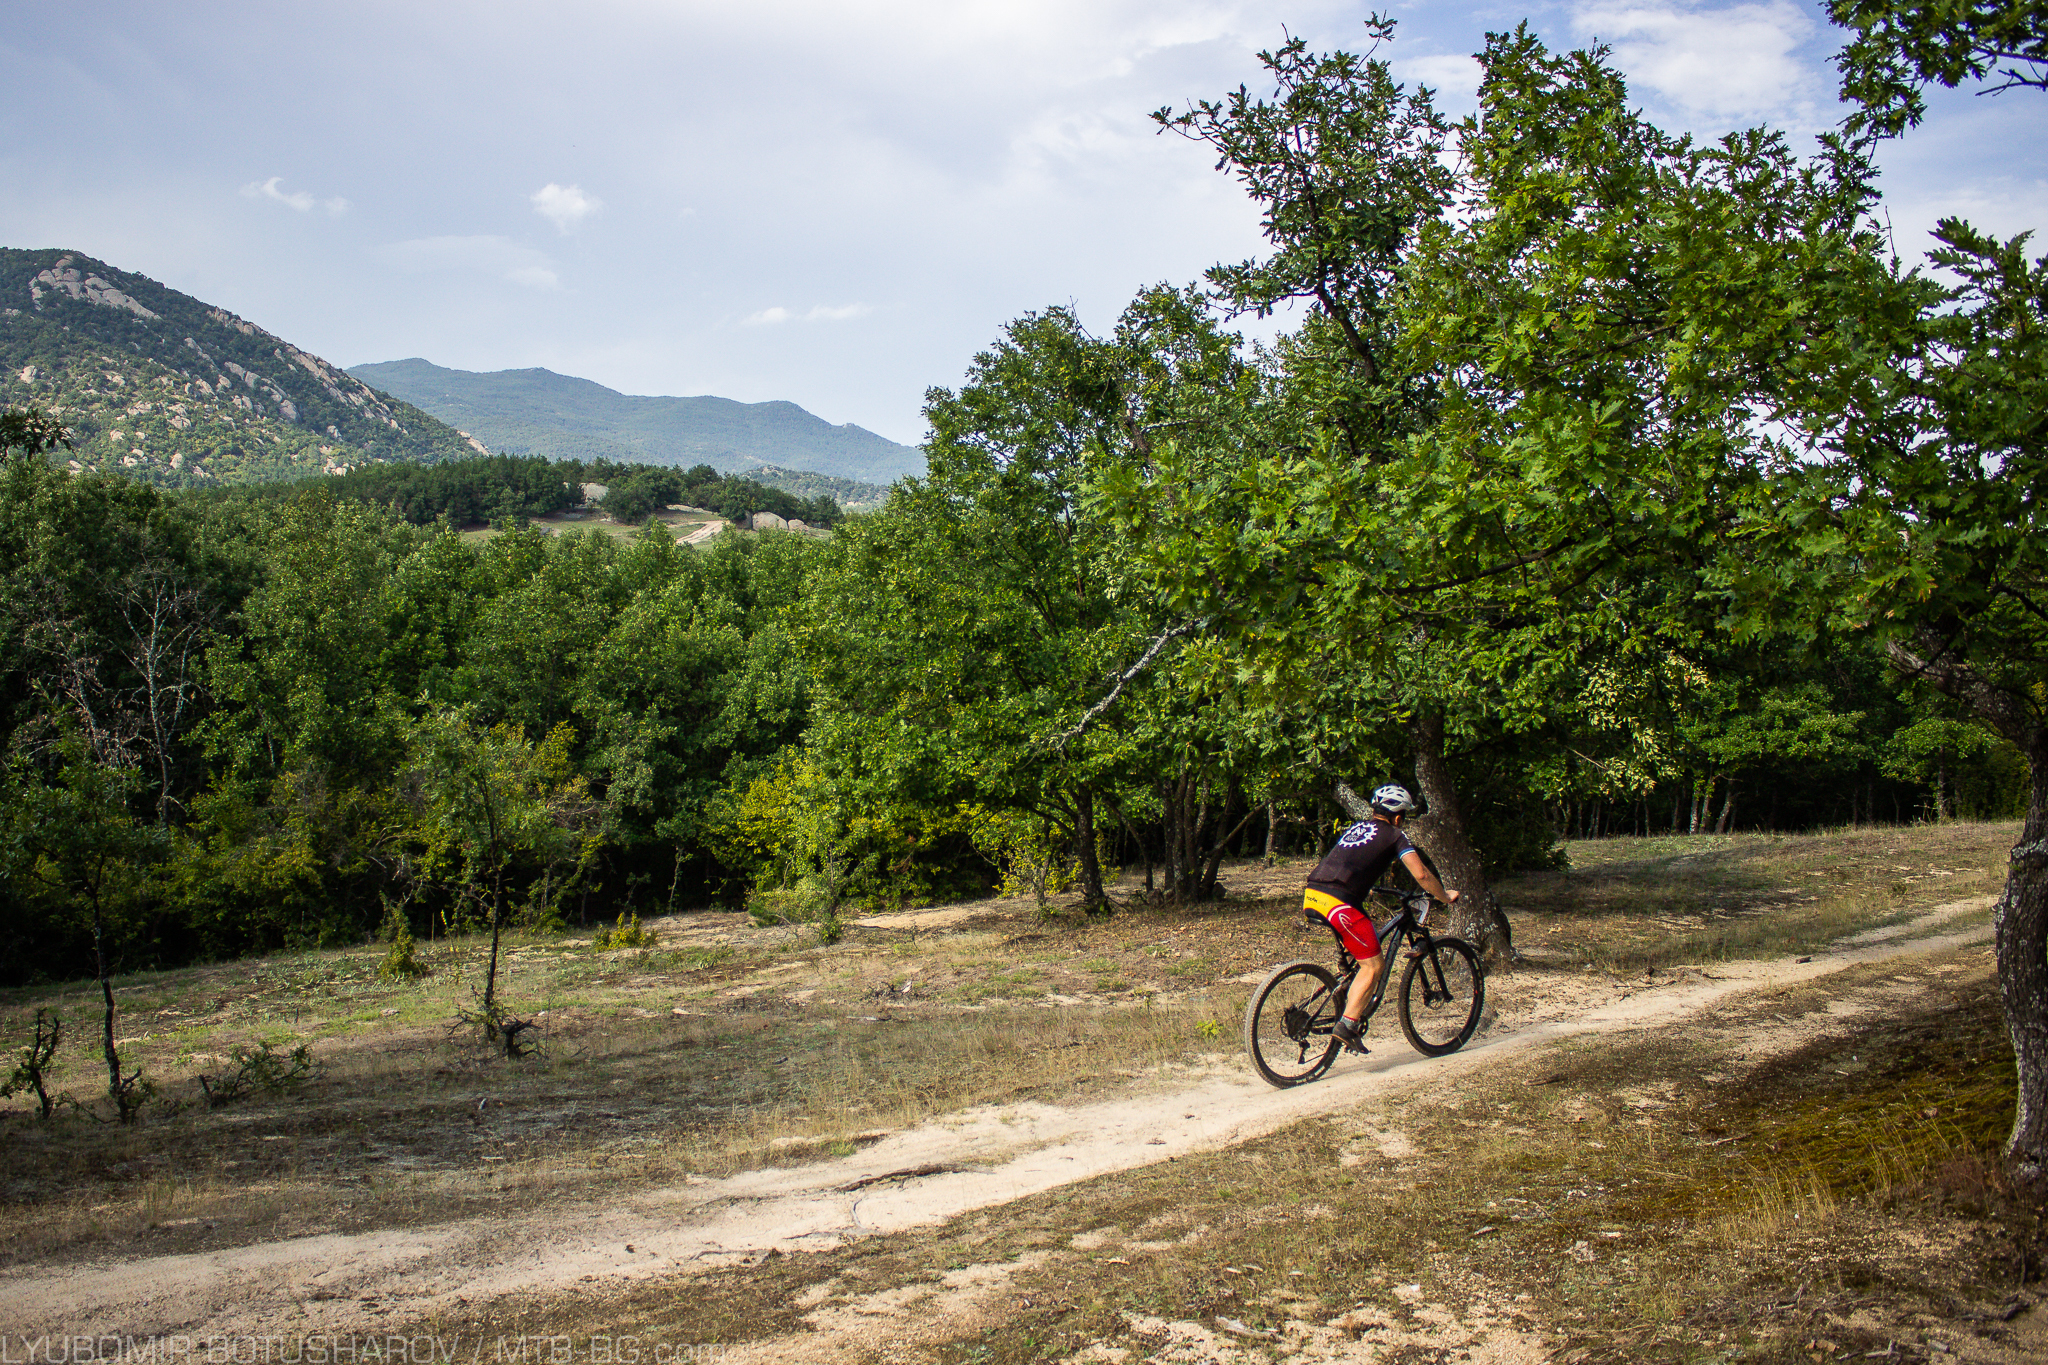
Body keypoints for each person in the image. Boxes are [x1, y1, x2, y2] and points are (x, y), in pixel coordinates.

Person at [1301, 784, 1460, 1052]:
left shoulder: (1357, 828)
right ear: (1398, 817)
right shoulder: (1396, 835)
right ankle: (1347, 1025)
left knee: (1364, 947)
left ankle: (1349, 995)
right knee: (1374, 966)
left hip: (1314, 894)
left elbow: (1350, 862)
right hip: (1340, 903)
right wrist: (1444, 896)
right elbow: (1421, 874)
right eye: (1404, 817)